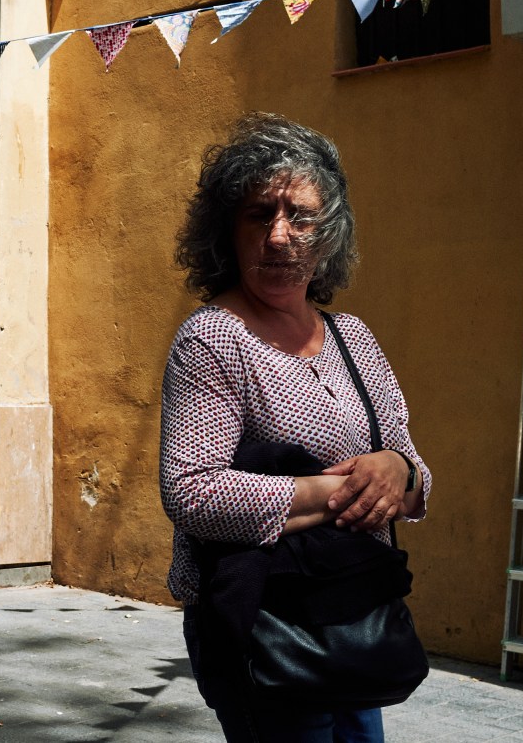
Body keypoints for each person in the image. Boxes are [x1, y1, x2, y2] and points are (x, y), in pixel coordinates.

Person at [160, 113, 432, 743]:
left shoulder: (354, 339)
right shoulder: (212, 339)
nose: (280, 235)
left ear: (329, 235)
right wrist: (344, 493)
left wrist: (397, 471)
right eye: (260, 214)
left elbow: (417, 481)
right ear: (228, 232)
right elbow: (193, 493)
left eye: (300, 216)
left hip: (352, 618)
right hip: (263, 629)